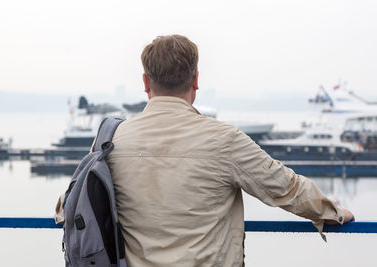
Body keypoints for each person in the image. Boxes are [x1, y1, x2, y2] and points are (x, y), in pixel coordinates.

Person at [105, 34, 355, 266]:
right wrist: (331, 212)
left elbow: (72, 204)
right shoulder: (224, 139)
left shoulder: (112, 140)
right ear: (195, 80)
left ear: (145, 82)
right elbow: (286, 187)